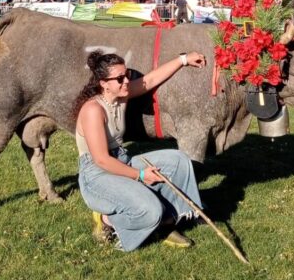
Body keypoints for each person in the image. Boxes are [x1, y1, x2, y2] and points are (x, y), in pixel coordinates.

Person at [75, 50, 206, 251]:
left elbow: (150, 79)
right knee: (151, 210)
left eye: (126, 75)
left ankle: (168, 221)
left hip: (121, 160)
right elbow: (101, 159)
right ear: (104, 84)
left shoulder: (121, 96)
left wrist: (183, 60)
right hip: (97, 173)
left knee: (178, 160)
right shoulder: (93, 110)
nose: (127, 81)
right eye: (120, 78)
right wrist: (141, 175)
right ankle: (107, 219)